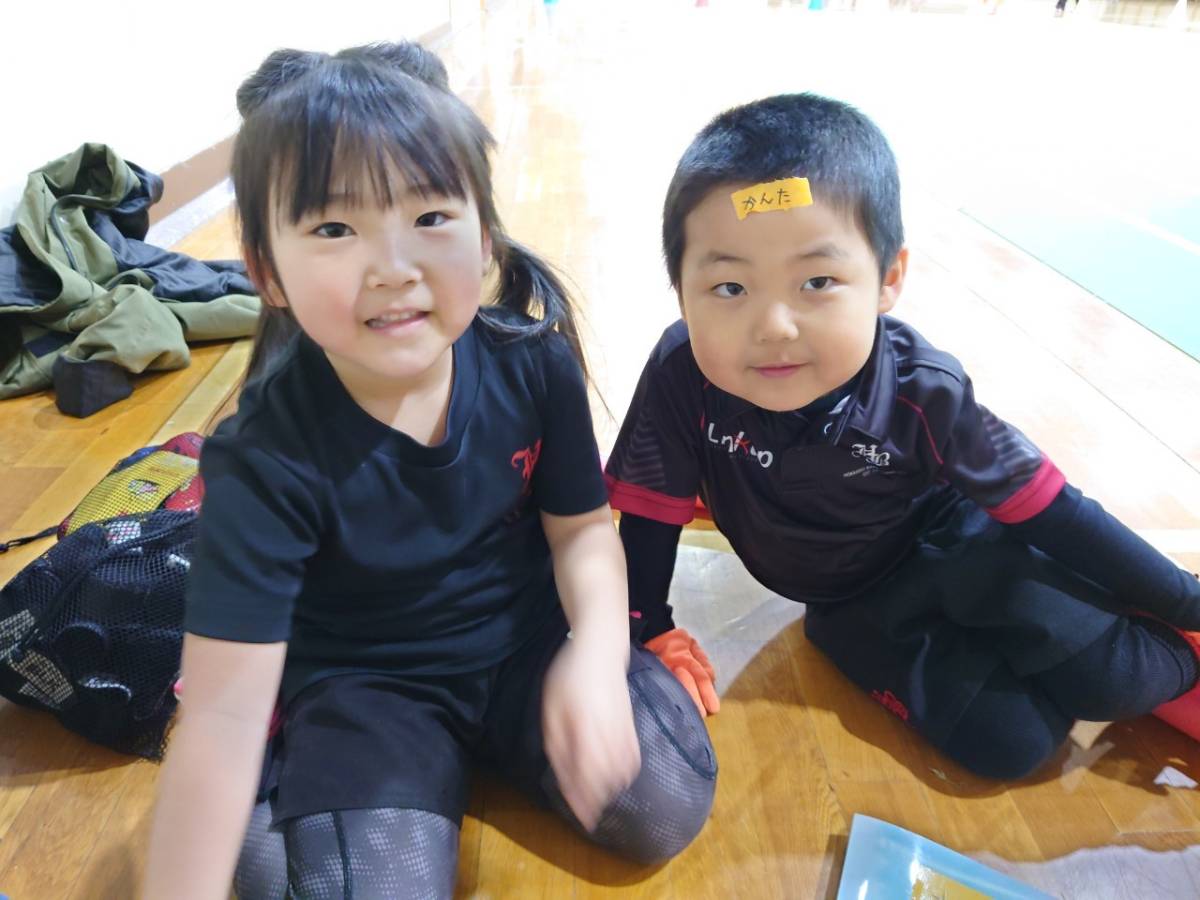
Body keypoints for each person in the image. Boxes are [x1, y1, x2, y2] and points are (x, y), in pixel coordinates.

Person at [143, 42, 716, 900]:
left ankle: (397, 796)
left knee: (663, 803)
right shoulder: (263, 458)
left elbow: (582, 532)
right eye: (334, 229)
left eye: (430, 216)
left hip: (529, 644)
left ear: (484, 238)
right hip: (369, 691)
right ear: (266, 271)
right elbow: (221, 716)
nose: (393, 268)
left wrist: (597, 660)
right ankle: (290, 807)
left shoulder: (533, 365)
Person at [606, 92, 1200, 781]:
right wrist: (649, 628)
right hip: (849, 605)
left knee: (1119, 681)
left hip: (958, 547)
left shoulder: (922, 389)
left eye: (817, 281)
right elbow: (649, 517)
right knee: (1012, 746)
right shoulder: (682, 375)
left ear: (888, 279)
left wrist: (1185, 600)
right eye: (730, 288)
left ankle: (1160, 646)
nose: (774, 326)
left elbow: (1054, 509)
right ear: (680, 291)